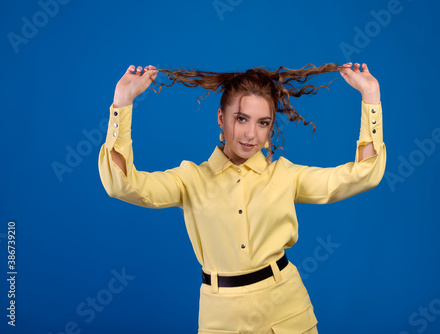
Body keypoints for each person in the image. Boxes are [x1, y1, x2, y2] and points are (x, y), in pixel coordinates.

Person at [98, 62, 386, 333]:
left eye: (263, 123)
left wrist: (370, 96)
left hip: (287, 312)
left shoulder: (285, 175)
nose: (251, 134)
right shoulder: (190, 179)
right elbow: (122, 185)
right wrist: (122, 102)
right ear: (221, 119)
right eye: (242, 119)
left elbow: (363, 175)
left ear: (270, 129)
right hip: (220, 318)